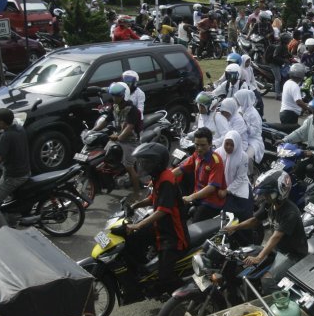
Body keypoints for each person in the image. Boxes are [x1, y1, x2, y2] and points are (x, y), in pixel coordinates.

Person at [225, 170, 308, 294]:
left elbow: (276, 237)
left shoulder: (291, 213)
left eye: (268, 193)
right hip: (278, 249)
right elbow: (254, 220)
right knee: (241, 257)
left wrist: (259, 257)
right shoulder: (270, 204)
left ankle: (279, 304)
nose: (265, 196)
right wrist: (234, 227)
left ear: (280, 191)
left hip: (292, 254)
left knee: (268, 280)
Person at [127, 143, 190, 292]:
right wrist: (135, 205)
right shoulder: (158, 177)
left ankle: (189, 294)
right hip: (161, 227)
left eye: (146, 162)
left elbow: (163, 210)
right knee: (133, 239)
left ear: (157, 163)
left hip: (173, 235)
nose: (143, 164)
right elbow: (153, 198)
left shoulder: (166, 179)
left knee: (165, 277)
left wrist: (139, 225)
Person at [92, 82, 142, 197]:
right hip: (117, 138)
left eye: (117, 96)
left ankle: (137, 194)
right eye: (113, 96)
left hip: (130, 141)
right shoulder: (114, 107)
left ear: (122, 96)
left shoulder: (131, 110)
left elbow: (129, 128)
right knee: (101, 157)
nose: (114, 98)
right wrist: (93, 131)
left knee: (129, 167)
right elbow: (105, 122)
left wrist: (119, 137)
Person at [176, 127, 226, 223]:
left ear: (210, 144)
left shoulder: (216, 161)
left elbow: (211, 187)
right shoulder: (196, 155)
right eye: (197, 145)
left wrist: (191, 197)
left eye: (203, 145)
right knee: (176, 216)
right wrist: (163, 176)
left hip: (210, 202)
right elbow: (181, 169)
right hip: (197, 197)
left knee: (195, 229)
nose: (199, 148)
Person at [215, 130, 253, 242]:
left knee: (243, 219)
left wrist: (226, 191)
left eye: (232, 144)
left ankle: (247, 245)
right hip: (223, 189)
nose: (228, 147)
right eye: (226, 143)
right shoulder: (218, 153)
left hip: (240, 191)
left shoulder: (243, 156)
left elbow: (241, 178)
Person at [234, 89, 264, 168]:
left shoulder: (254, 114)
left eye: (238, 99)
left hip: (253, 140)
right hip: (241, 138)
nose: (236, 101)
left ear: (243, 99)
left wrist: (244, 122)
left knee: (247, 157)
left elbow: (254, 132)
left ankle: (249, 175)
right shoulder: (240, 109)